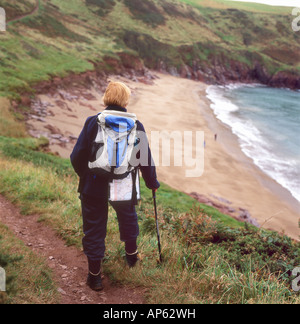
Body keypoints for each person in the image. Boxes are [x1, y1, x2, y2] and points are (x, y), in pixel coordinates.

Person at [70, 81, 160, 291]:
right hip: (124, 184)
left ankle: (95, 277)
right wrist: (151, 182)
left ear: (106, 98)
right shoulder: (136, 125)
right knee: (128, 217)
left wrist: (86, 175)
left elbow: (77, 156)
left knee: (94, 227)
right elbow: (144, 158)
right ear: (125, 100)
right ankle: (131, 258)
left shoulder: (93, 122)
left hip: (93, 185)